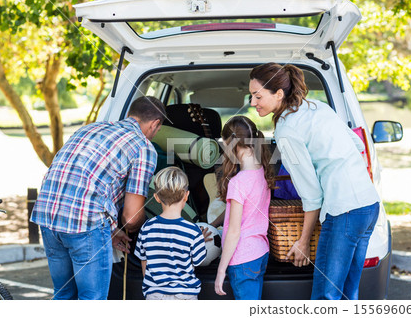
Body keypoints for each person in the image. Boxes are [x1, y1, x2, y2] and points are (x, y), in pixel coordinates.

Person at [249, 62, 380, 300]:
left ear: (278, 94)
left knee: (326, 297)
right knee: (348, 293)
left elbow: (311, 194)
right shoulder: (316, 107)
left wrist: (302, 240)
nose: (252, 103)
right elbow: (358, 145)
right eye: (251, 96)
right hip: (369, 206)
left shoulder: (287, 130)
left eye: (258, 96)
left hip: (344, 212)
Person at [30, 96, 166, 300]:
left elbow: (81, 181)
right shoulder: (143, 147)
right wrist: (153, 229)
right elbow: (131, 217)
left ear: (130, 114)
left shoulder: (90, 128)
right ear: (156, 124)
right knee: (91, 299)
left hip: (47, 215)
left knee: (64, 293)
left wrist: (111, 229)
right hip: (84, 224)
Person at [214, 116, 275, 300]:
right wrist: (214, 222)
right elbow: (240, 212)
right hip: (260, 251)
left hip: (242, 259)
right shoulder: (261, 171)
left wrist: (221, 270)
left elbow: (234, 231)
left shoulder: (238, 182)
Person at [134, 166, 207, 300]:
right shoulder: (193, 231)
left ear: (156, 197)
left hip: (155, 296)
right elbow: (198, 261)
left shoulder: (146, 228)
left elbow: (143, 260)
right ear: (186, 196)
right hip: (185, 296)